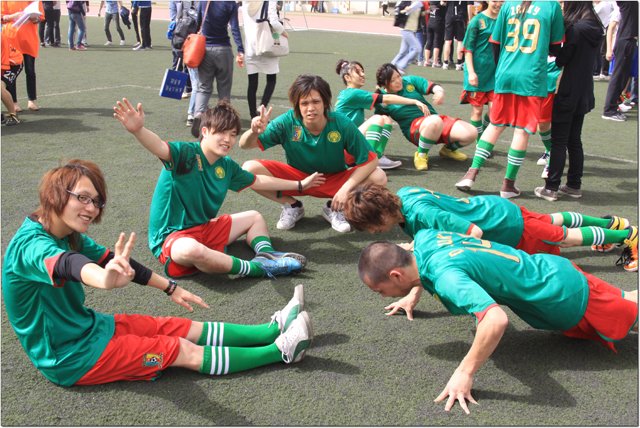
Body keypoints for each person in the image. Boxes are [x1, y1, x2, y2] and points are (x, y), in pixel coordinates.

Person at [2, 159, 313, 387]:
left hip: (92, 327)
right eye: (83, 198)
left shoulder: (67, 232)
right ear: (56, 194)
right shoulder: (32, 247)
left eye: (96, 201)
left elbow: (113, 260)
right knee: (177, 351)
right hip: (71, 358)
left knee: (180, 327)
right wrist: (106, 279)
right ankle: (280, 351)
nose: (92, 208)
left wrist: (170, 288)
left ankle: (269, 331)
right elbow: (73, 266)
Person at [358, 231, 638, 414]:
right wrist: (412, 295)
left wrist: (465, 372)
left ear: (396, 276)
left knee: (633, 316)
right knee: (629, 299)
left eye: (379, 290)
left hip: (560, 296)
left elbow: (495, 320)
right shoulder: (425, 238)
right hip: (551, 270)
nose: (381, 295)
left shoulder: (446, 278)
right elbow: (416, 256)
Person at [114, 98, 324, 279]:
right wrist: (138, 130)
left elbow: (257, 181)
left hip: (204, 229)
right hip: (172, 238)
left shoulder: (226, 165)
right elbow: (160, 147)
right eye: (222, 132)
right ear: (205, 131)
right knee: (193, 250)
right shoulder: (186, 153)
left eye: (232, 134)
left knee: (254, 217)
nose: (228, 139)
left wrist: (300, 185)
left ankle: (266, 256)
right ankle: (256, 269)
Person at [344, 183, 639, 271]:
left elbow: (474, 233)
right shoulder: (404, 195)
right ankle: (610, 223)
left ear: (381, 214)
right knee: (553, 220)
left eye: (370, 226)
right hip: (494, 208)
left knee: (565, 238)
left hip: (503, 225)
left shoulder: (423, 216)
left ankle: (629, 236)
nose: (372, 233)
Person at [239, 74, 387, 233]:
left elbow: (371, 160)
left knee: (379, 176)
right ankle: (292, 205)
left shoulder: (341, 123)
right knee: (249, 170)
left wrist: (346, 189)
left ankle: (334, 207)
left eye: (316, 102)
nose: (310, 108)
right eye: (304, 103)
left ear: (325, 102)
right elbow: (244, 145)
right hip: (297, 178)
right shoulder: (287, 121)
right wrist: (253, 132)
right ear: (297, 105)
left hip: (334, 179)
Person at [455, 0, 565, 199]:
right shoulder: (551, 5)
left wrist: (504, 67)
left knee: (495, 125)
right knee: (521, 130)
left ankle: (470, 174)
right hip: (531, 76)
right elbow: (556, 47)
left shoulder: (508, 5)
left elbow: (495, 43)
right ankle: (508, 185)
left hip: (505, 73)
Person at [534, 1, 603, 202]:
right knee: (574, 140)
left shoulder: (576, 29)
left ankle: (551, 188)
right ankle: (574, 185)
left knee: (559, 142)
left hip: (567, 91)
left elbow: (561, 60)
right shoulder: (596, 26)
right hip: (584, 91)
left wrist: (553, 47)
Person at [374, 62, 477, 171]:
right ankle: (421, 155)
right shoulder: (382, 98)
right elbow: (379, 122)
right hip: (415, 129)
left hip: (435, 121)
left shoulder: (409, 81)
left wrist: (439, 92)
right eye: (392, 80)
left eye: (398, 76)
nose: (398, 81)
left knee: (471, 133)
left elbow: (433, 86)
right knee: (435, 121)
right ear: (384, 84)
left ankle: (448, 150)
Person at [334, 59, 430, 170]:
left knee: (385, 119)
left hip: (348, 147)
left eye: (362, 71)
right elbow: (386, 98)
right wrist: (415, 101)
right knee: (377, 119)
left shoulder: (350, 93)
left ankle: (378, 156)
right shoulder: (352, 93)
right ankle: (370, 160)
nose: (363, 74)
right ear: (347, 78)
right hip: (343, 151)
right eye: (358, 72)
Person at [193, 1, 244, 119]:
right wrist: (240, 49)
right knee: (224, 90)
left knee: (203, 88)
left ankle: (198, 115)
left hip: (205, 49)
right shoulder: (230, 3)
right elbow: (234, 28)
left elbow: (197, 23)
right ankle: (223, 120)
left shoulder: (203, 1)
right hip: (223, 50)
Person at [460, 1, 502, 141]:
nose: (498, 4)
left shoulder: (505, 20)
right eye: (494, 0)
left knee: (494, 112)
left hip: (495, 74)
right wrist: (471, 72)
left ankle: (483, 136)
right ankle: (480, 142)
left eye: (502, 1)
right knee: (477, 111)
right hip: (477, 73)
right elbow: (468, 49)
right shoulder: (477, 21)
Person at [241, 1, 287, 119]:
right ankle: (262, 107)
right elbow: (274, 21)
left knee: (252, 83)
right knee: (271, 79)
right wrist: (284, 32)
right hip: (266, 44)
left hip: (251, 47)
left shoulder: (246, 2)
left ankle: (253, 116)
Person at [1, 0, 44, 112]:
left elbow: (41, 17)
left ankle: (32, 100)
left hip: (28, 39)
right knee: (11, 72)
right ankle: (14, 102)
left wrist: (35, 18)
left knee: (30, 70)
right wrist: (12, 16)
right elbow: (1, 16)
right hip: (11, 39)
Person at [601, 1, 637, 122]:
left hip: (630, 41)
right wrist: (609, 50)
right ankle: (609, 110)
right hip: (624, 42)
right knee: (618, 77)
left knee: (623, 78)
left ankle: (614, 107)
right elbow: (611, 28)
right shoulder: (626, 4)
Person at [391, 0, 424, 75]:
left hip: (412, 30)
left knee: (403, 51)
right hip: (406, 29)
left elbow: (419, 15)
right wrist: (405, 10)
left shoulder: (419, 3)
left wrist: (427, 12)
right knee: (417, 48)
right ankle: (401, 66)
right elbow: (397, 12)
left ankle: (391, 67)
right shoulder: (406, 2)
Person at [441, 0, 474, 70]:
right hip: (461, 17)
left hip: (449, 16)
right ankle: (459, 64)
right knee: (460, 41)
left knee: (448, 41)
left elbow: (442, 2)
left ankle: (445, 63)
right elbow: (469, 5)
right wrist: (470, 19)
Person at [1, 21, 23, 125]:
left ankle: (13, 115)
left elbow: (3, 62)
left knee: (0, 87)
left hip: (13, 63)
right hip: (4, 61)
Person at [592, 0, 615, 81]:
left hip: (606, 29)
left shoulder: (604, 4)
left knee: (603, 51)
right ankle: (601, 72)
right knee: (602, 51)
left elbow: (593, 14)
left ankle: (602, 72)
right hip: (604, 29)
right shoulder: (605, 4)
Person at [423, 1, 447, 67]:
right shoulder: (440, 2)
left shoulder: (432, 2)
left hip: (430, 22)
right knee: (437, 43)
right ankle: (435, 62)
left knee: (429, 42)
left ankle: (426, 61)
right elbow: (443, 3)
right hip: (438, 23)